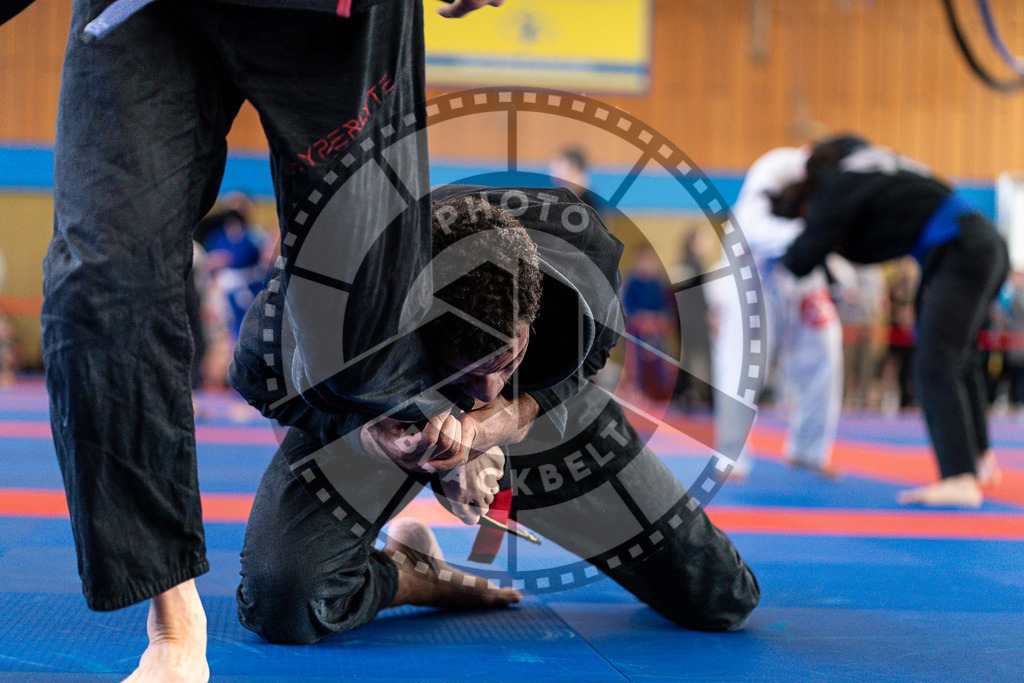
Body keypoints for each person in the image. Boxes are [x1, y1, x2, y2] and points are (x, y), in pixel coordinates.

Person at [3, 0, 506, 680]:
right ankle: (173, 620)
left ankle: (447, 428)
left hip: (331, 17)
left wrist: (464, 420)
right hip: (147, 11)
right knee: (97, 288)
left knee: (364, 300)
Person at [230, 187, 760, 644]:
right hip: (377, 416)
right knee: (284, 602)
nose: (486, 388)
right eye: (463, 374)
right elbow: (257, 380)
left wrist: (490, 425)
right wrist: (368, 436)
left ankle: (493, 383)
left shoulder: (573, 251)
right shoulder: (330, 299)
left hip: (543, 417)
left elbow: (594, 350)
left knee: (720, 597)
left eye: (506, 361)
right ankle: (411, 574)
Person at [770, 134, 1010, 507]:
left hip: (961, 249)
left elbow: (802, 257)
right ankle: (978, 461)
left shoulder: (839, 185)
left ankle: (960, 479)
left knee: (934, 364)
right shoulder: (877, 163)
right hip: (984, 243)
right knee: (960, 360)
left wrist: (782, 251)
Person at [709, 146, 844, 480]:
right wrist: (814, 236)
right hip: (751, 269)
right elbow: (755, 228)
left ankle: (809, 449)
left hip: (800, 269)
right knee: (741, 360)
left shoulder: (843, 181)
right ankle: (732, 455)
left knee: (825, 346)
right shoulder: (776, 167)